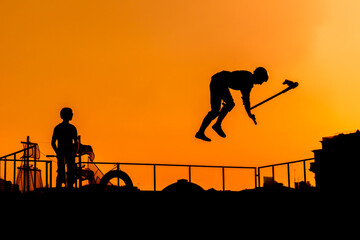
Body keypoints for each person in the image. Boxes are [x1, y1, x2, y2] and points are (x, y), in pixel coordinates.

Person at [195, 67, 269, 142]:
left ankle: (201, 132)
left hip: (217, 82)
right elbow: (246, 100)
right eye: (262, 81)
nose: (261, 83)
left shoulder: (248, 78)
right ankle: (216, 125)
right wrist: (249, 114)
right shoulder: (248, 80)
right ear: (259, 77)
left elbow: (246, 100)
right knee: (229, 104)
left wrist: (249, 113)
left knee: (216, 111)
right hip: (219, 82)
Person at [51, 107, 78, 188]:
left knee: (61, 172)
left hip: (62, 153)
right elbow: (76, 143)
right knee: (70, 172)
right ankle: (69, 187)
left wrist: (58, 152)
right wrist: (74, 153)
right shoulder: (72, 128)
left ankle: (59, 187)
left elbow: (53, 143)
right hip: (69, 153)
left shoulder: (58, 127)